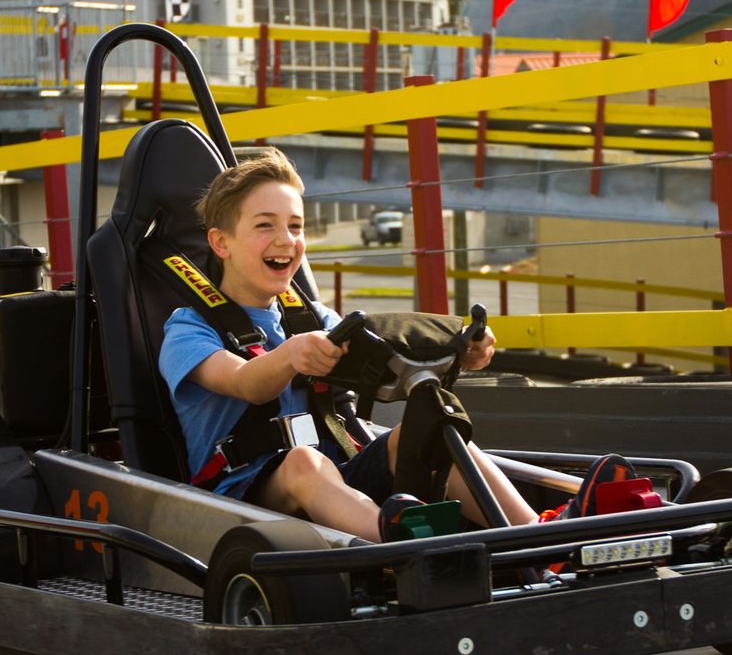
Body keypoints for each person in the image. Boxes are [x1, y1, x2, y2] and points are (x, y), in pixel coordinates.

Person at [158, 150, 540, 543]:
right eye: (264, 226)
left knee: (429, 429)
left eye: (295, 226)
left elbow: (388, 358)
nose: (285, 240)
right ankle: (397, 549)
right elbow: (244, 382)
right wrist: (290, 354)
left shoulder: (316, 319)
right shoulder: (188, 330)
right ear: (221, 243)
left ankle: (543, 533)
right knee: (303, 461)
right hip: (238, 501)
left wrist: (459, 352)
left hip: (337, 484)